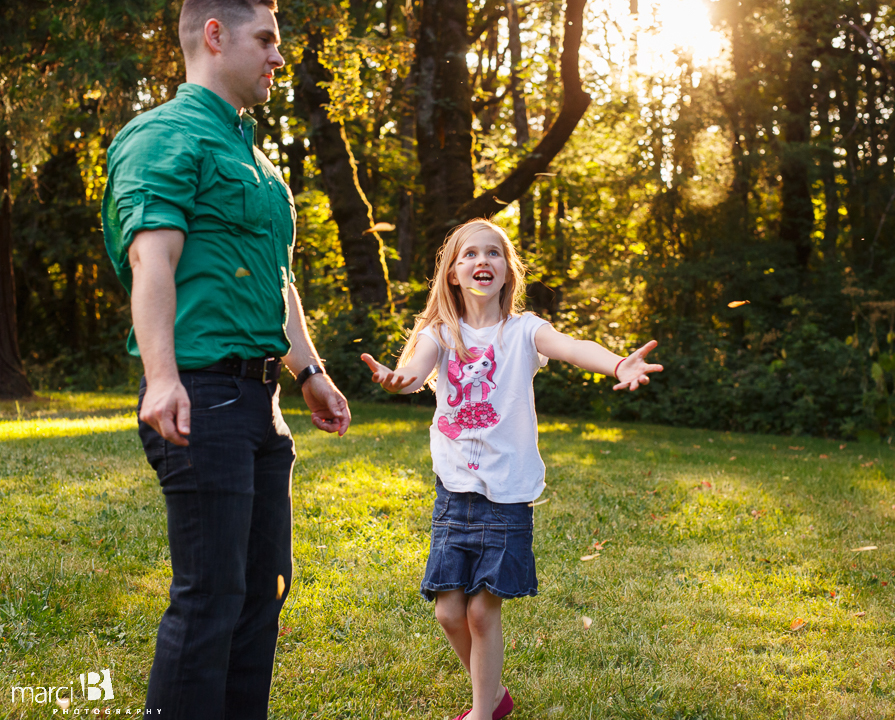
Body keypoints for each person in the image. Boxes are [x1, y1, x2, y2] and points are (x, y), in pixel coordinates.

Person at [102, 1, 350, 718]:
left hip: (260, 406)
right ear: (215, 36)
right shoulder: (162, 137)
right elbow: (154, 260)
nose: (279, 57)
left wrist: (310, 372)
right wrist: (161, 378)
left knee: (263, 588)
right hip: (200, 396)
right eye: (267, 40)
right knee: (211, 597)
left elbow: (278, 281)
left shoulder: (257, 162)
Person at [360, 219, 663, 720]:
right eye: (470, 255)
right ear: (453, 274)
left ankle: (483, 712)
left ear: (508, 271)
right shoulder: (442, 332)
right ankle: (495, 696)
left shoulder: (524, 331)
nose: (483, 261)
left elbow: (572, 347)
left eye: (494, 253)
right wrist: (400, 381)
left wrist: (615, 364)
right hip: (454, 494)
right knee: (448, 611)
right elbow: (415, 370)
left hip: (505, 497)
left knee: (482, 611)